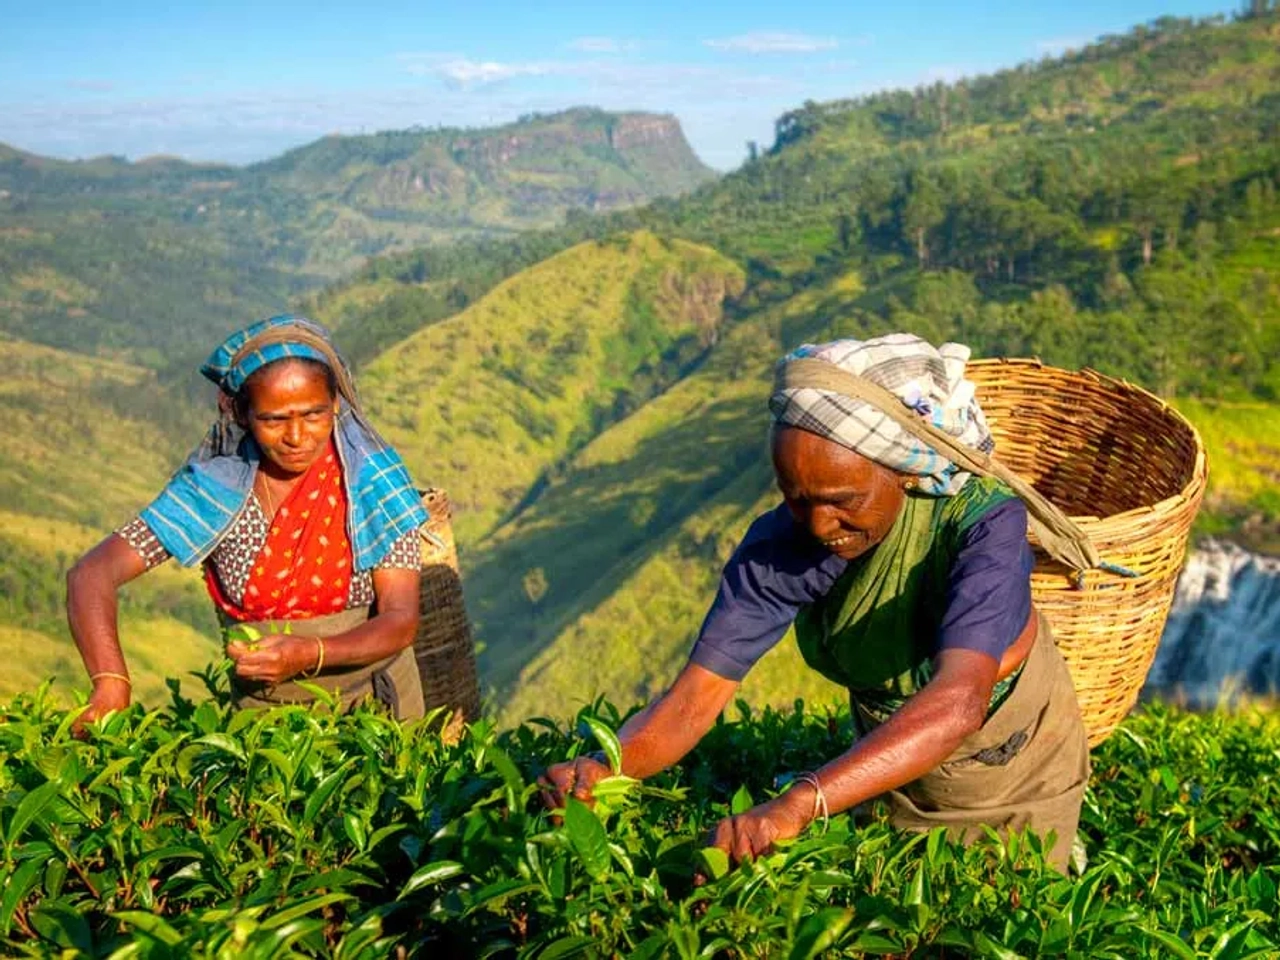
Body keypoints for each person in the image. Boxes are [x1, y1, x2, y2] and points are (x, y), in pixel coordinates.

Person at [542, 334, 1093, 873]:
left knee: (1017, 894)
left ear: (901, 469)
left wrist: (800, 802)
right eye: (795, 498)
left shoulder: (982, 523)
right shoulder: (780, 547)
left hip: (1016, 752)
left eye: (842, 501)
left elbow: (958, 702)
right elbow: (693, 701)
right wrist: (604, 768)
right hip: (893, 749)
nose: (820, 524)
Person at [67, 315, 431, 730]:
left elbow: (400, 621)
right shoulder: (216, 490)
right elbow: (91, 574)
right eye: (273, 420)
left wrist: (309, 652)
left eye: (313, 415)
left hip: (377, 711)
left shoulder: (372, 482)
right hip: (264, 725)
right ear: (240, 414)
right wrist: (111, 682)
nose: (297, 436)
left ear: (336, 405)